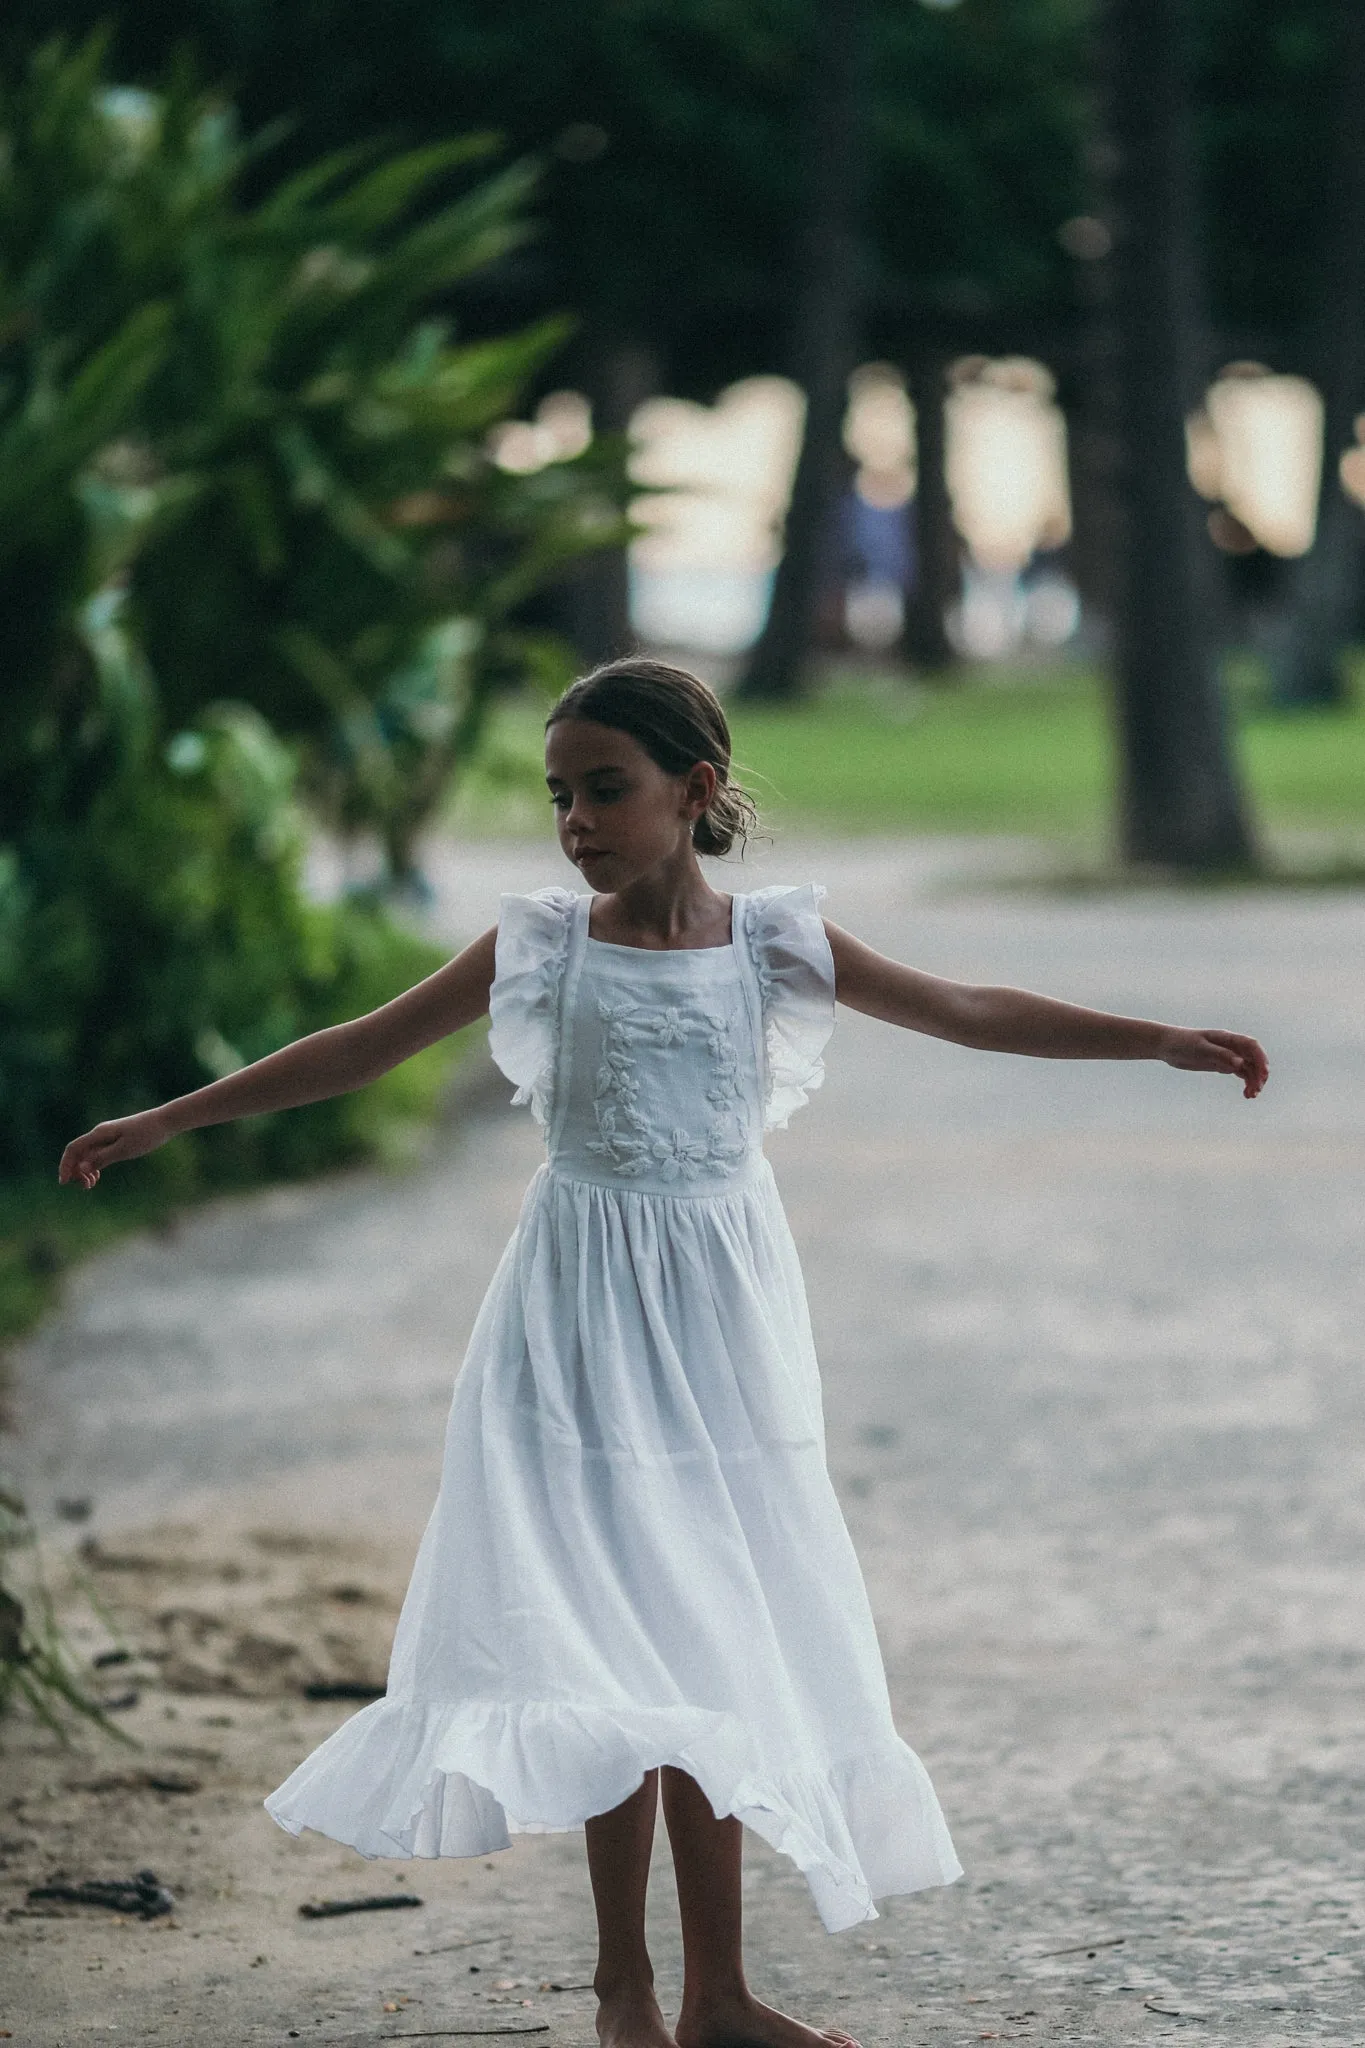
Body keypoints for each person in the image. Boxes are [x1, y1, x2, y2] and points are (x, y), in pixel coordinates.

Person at [59, 658, 1269, 2048]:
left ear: (696, 790)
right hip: (569, 1335)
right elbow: (356, 1049)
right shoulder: (541, 944)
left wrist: (1153, 1040)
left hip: (726, 1339)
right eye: (560, 793)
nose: (575, 818)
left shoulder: (774, 945)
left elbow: (967, 1008)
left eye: (606, 788)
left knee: (711, 1644)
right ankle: (624, 1990)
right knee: (598, 1650)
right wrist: (167, 1120)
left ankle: (723, 1996)